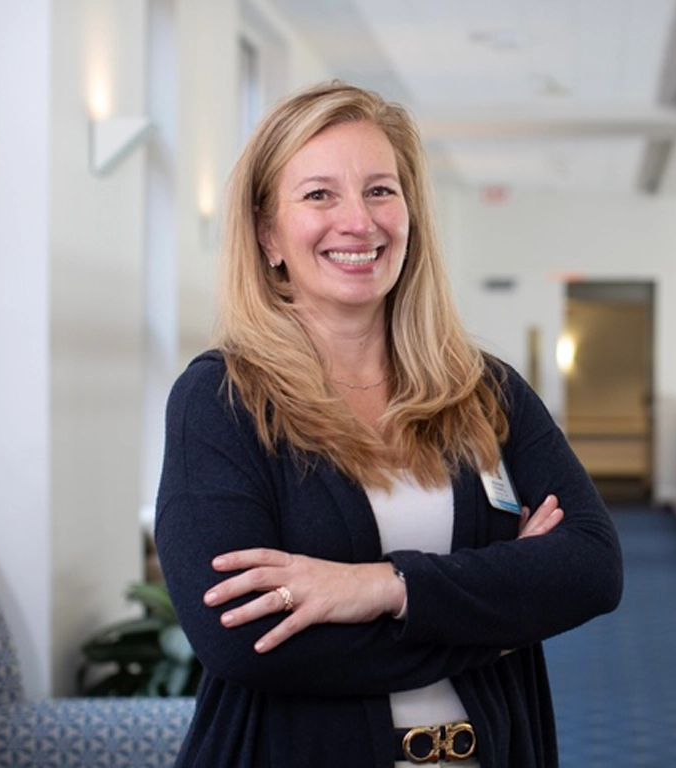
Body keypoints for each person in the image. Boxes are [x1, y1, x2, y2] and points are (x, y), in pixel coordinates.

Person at [155, 81, 623, 768]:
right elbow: (242, 641)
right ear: (267, 233)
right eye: (319, 195)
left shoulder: (482, 389)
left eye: (380, 190)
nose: (359, 222)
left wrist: (381, 587)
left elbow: (591, 567)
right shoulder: (222, 399)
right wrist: (500, 619)